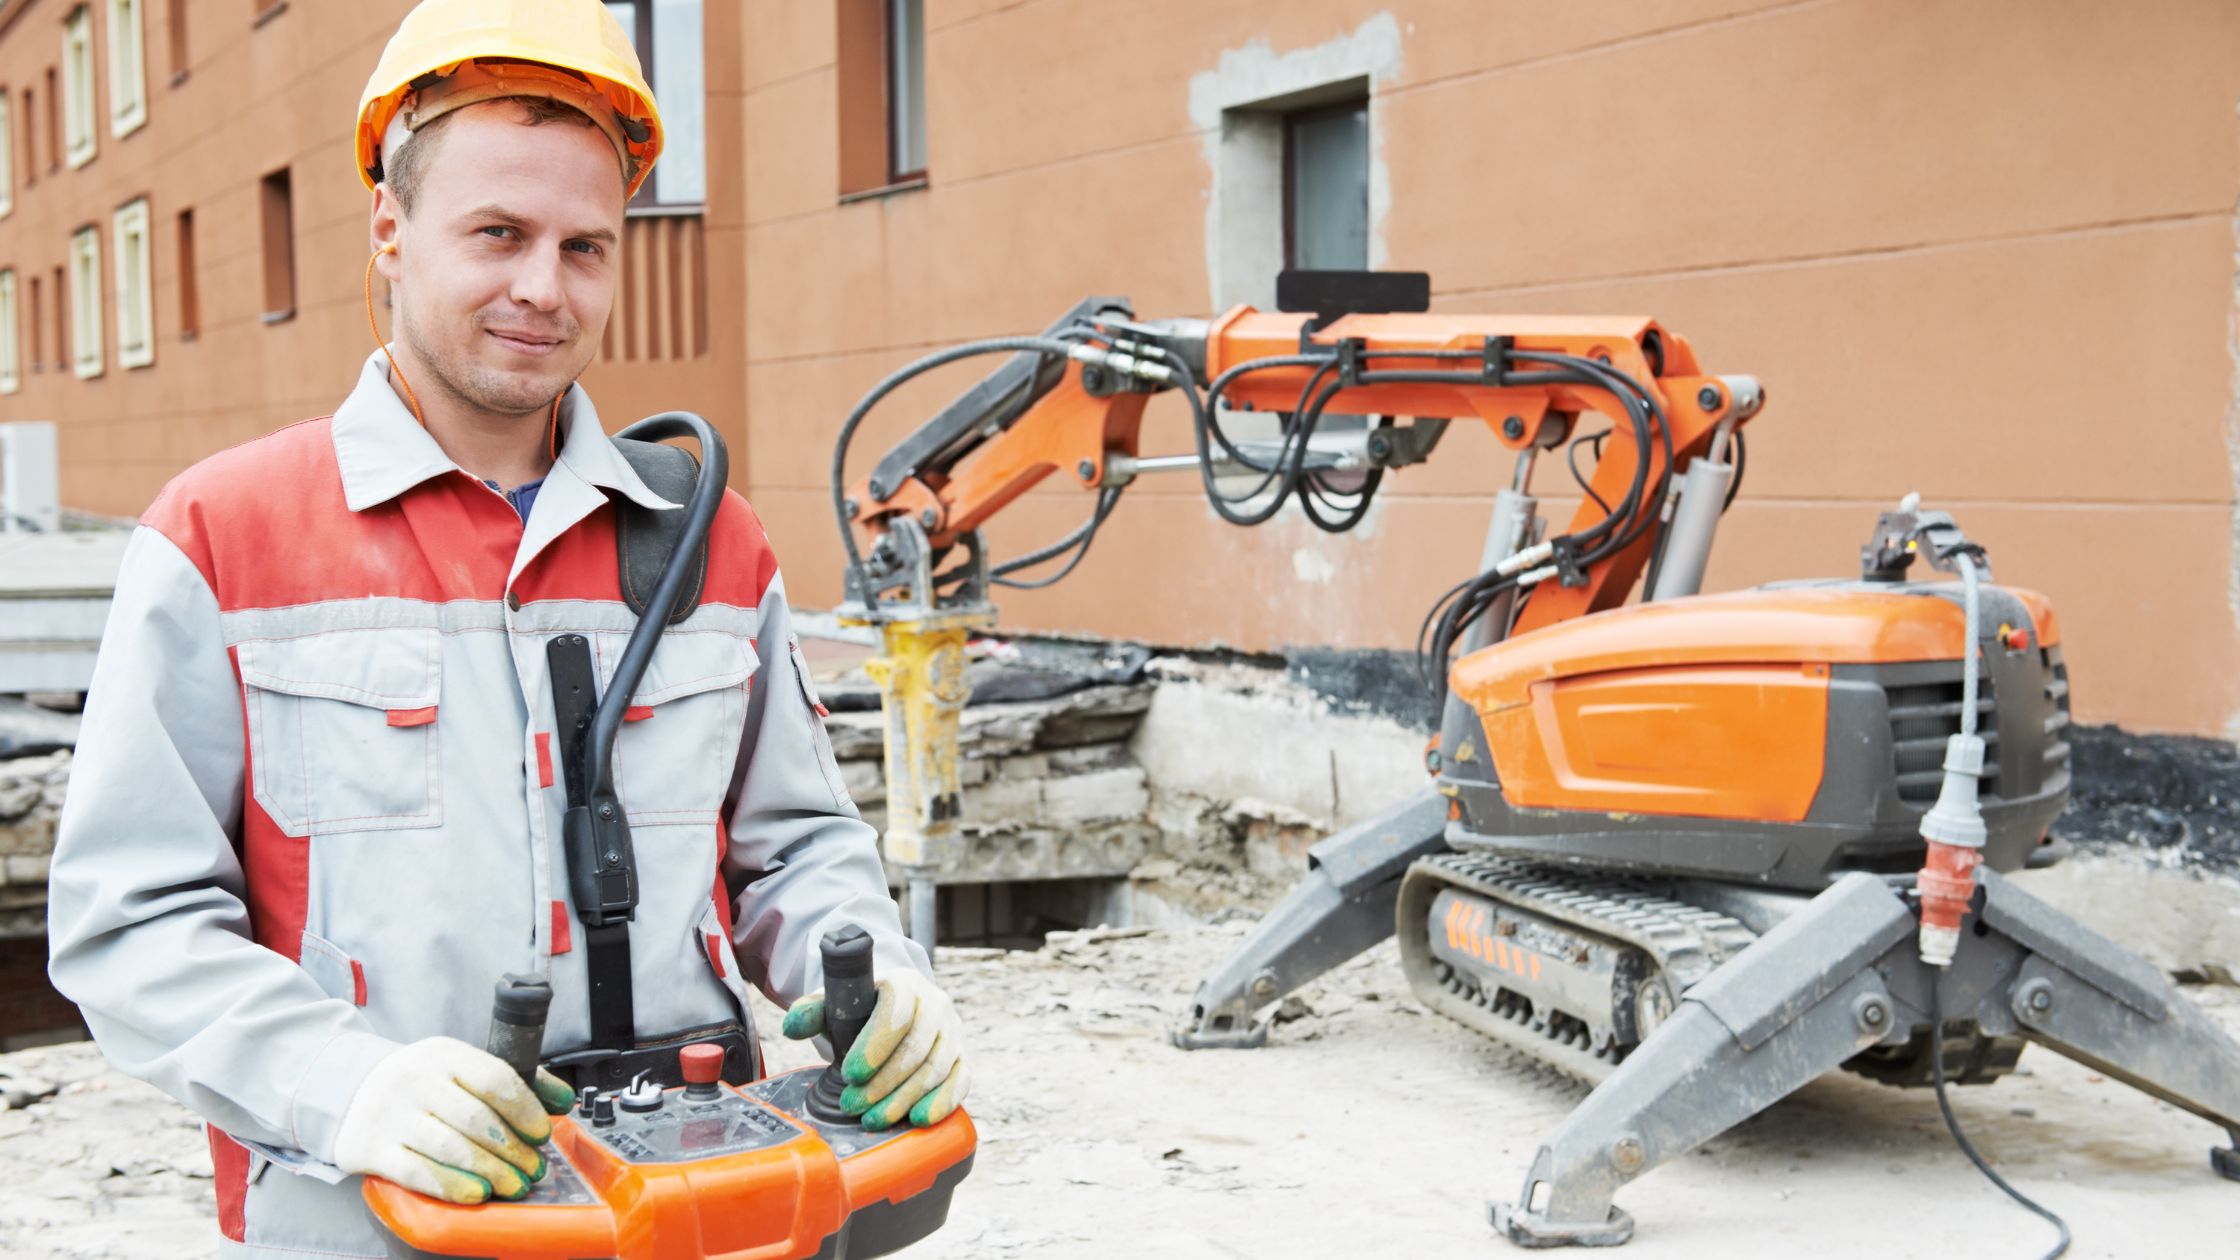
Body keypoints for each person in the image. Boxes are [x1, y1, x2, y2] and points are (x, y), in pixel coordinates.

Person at [44, 2, 965, 1254]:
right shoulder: (221, 538)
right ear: (389, 229)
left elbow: (794, 847)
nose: (543, 287)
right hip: (376, 1222)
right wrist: (347, 1086)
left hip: (703, 1212)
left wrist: (878, 984)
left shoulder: (708, 538)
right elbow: (129, 923)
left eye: (585, 247)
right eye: (497, 233)